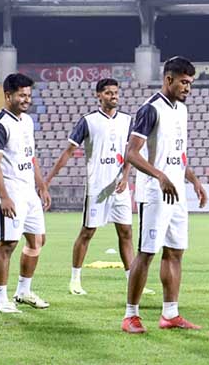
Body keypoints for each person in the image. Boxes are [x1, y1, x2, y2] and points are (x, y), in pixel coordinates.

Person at [121, 56, 208, 334]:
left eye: (190, 83)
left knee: (175, 251)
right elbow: (131, 153)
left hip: (176, 191)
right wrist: (159, 175)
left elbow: (178, 155)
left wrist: (193, 180)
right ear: (168, 79)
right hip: (154, 193)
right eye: (184, 82)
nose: (188, 88)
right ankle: (130, 316)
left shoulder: (181, 109)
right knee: (147, 252)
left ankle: (170, 313)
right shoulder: (150, 109)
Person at [45, 78, 148, 296]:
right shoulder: (88, 121)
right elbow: (68, 152)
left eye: (116, 92)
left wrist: (126, 177)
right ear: (98, 95)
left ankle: (132, 281)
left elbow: (131, 152)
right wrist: (48, 180)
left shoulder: (127, 121)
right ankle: (75, 280)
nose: (114, 96)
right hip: (97, 187)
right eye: (109, 93)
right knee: (87, 232)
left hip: (119, 188)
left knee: (126, 233)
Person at [0, 73, 51, 314]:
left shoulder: (26, 121)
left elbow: (30, 156)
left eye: (28, 95)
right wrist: (4, 197)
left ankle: (23, 291)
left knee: (37, 240)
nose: (27, 99)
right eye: (21, 95)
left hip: (28, 191)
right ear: (8, 95)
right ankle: (0, 299)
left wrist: (41, 185)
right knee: (7, 244)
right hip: (11, 191)